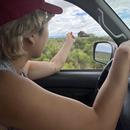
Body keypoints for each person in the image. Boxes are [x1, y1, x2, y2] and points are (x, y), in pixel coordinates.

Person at [0, 0, 130, 130]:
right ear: (31, 35)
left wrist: (69, 42)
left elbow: (55, 65)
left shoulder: (18, 67)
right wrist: (123, 55)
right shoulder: (5, 84)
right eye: (47, 25)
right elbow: (99, 125)